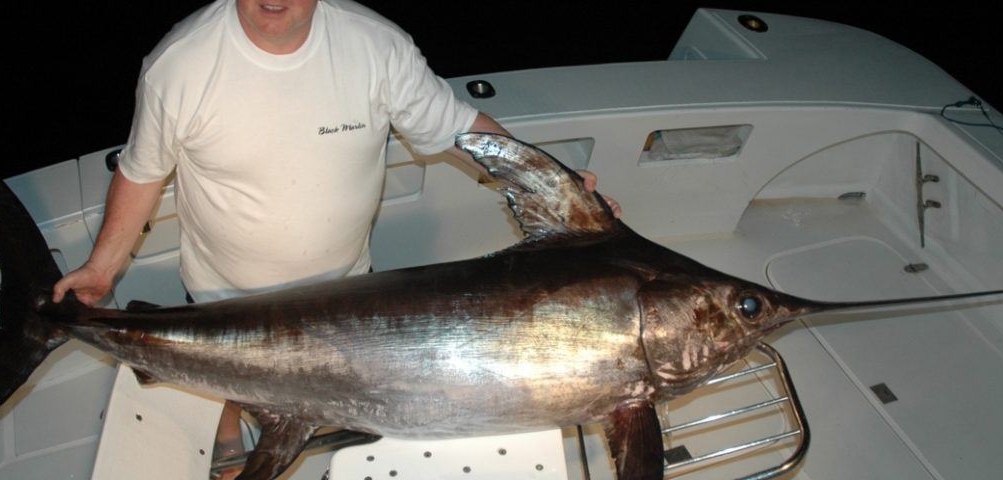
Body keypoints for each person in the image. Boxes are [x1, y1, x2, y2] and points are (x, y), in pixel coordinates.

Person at [51, 0, 617, 477]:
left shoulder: (373, 45)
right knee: (220, 378)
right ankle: (226, 416)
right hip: (227, 295)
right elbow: (142, 171)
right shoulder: (180, 65)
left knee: (345, 399)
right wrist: (101, 270)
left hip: (346, 293)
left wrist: (555, 185)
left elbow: (458, 127)